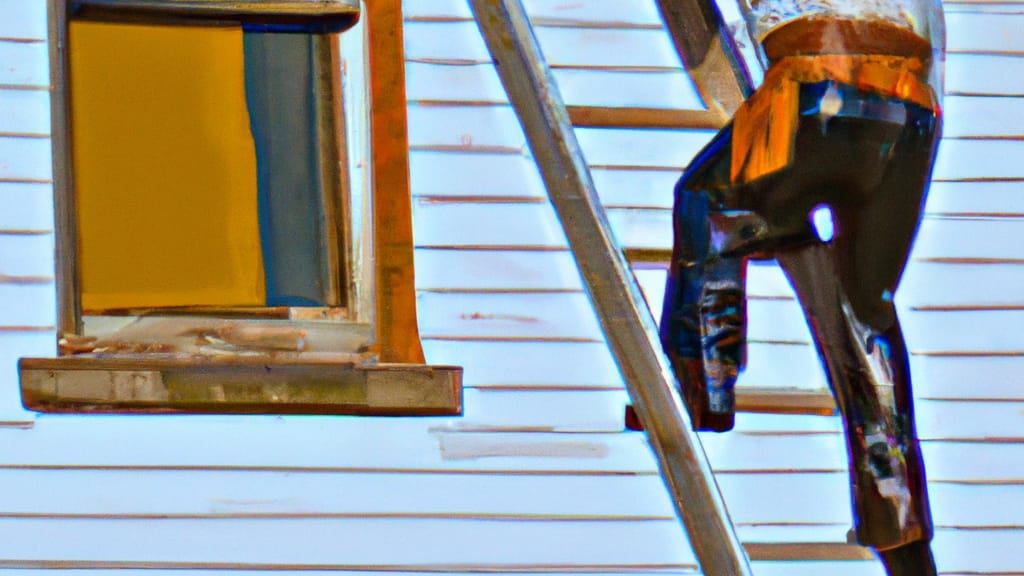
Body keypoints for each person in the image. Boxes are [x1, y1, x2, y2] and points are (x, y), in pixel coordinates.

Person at [658, 0, 945, 573]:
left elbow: (702, 36)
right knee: (867, 314)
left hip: (817, 92)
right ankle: (900, 522)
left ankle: (705, 387)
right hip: (913, 115)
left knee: (709, 203)